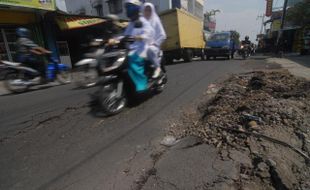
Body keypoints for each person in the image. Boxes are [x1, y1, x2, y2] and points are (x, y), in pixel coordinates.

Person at [109, 0, 154, 92]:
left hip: (143, 47)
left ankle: (142, 84)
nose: (127, 10)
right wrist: (115, 40)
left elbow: (149, 33)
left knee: (132, 59)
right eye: (126, 8)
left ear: (136, 8)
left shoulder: (143, 20)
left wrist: (140, 37)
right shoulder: (131, 23)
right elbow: (125, 35)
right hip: (132, 48)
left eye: (129, 7)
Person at [142, 2, 167, 78]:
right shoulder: (142, 22)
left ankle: (157, 68)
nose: (147, 12)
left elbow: (163, 35)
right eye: (145, 10)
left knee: (150, 50)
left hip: (153, 46)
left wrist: (155, 43)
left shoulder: (156, 21)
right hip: (142, 46)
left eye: (149, 10)